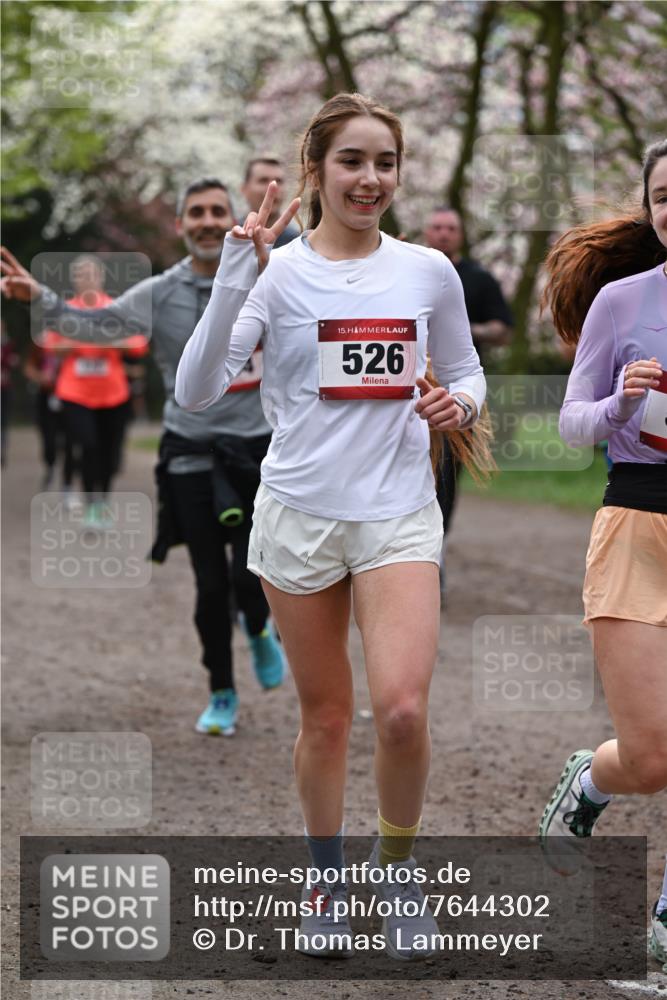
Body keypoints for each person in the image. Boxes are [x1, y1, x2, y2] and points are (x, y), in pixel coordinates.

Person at [175, 92, 487, 960]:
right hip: (300, 519)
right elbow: (195, 391)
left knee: (399, 710)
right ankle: (325, 878)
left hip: (396, 515)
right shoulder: (275, 275)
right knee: (326, 719)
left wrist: (455, 401)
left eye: (383, 162)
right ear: (314, 169)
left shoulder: (427, 269)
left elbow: (466, 369)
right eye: (351, 161)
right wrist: (239, 270)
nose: (370, 179)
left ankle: (396, 873)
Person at [0, 178, 286, 736]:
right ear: (179, 226)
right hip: (190, 449)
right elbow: (92, 328)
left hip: (259, 450)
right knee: (208, 581)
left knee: (255, 573)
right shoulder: (159, 293)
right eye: (195, 213)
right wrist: (39, 296)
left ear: (236, 220)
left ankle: (257, 626)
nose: (207, 221)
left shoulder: (269, 276)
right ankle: (222, 693)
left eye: (217, 211)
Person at [537, 139, 667, 972]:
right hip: (637, 523)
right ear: (650, 209)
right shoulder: (621, 303)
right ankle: (590, 781)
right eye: (664, 195)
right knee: (653, 753)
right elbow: (568, 423)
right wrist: (619, 402)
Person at [424, 208, 513, 581]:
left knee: (446, 475)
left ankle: (435, 551)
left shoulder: (478, 279)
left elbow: (504, 329)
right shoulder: (409, 270)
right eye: (437, 227)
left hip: (459, 396)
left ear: (460, 235)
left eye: (451, 228)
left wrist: (463, 331)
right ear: (426, 231)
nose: (444, 234)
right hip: (404, 393)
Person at [41, 254, 149, 527]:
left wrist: (106, 339)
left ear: (100, 278)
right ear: (74, 280)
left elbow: (138, 345)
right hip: (75, 392)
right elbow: (50, 345)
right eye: (81, 274)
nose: (86, 278)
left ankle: (104, 500)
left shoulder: (115, 309)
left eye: (91, 274)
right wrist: (81, 339)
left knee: (109, 453)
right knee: (87, 446)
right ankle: (91, 504)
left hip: (113, 393)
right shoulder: (65, 310)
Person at [23, 337, 79, 502]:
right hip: (47, 396)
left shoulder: (77, 342)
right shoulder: (41, 342)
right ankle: (50, 465)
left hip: (71, 398)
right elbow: (29, 367)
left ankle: (67, 486)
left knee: (71, 444)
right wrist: (40, 376)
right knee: (49, 442)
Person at [241, 156, 299, 248]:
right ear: (244, 189)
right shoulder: (228, 237)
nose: (273, 188)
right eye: (263, 180)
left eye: (279, 181)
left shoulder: (297, 243)